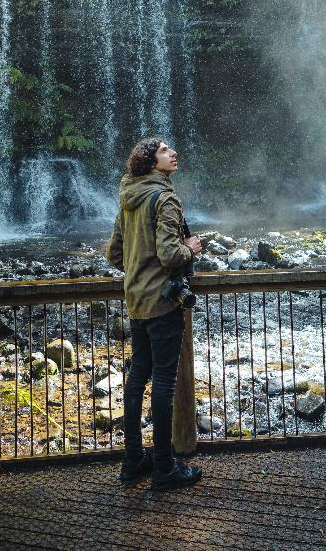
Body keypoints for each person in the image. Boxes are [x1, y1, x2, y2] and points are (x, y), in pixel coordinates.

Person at [106, 137, 204, 490]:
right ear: (151, 163)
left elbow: (114, 254)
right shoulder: (164, 198)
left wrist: (137, 270)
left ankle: (133, 460)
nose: (174, 152)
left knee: (137, 378)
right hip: (162, 304)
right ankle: (164, 467)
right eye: (165, 151)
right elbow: (169, 254)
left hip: (135, 301)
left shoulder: (129, 199)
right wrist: (189, 249)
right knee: (163, 384)